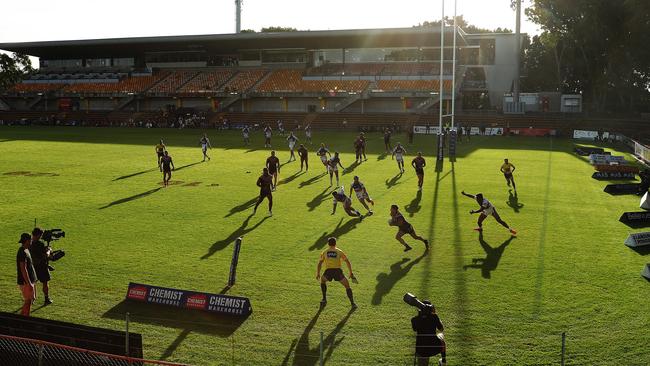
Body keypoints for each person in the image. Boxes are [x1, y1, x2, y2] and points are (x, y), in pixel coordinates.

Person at [316, 237, 357, 308]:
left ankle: (324, 299)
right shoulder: (339, 251)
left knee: (323, 281)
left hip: (328, 271)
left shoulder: (324, 252)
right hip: (337, 271)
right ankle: (353, 303)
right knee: (347, 286)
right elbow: (347, 261)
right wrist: (351, 272)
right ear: (335, 243)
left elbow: (320, 263)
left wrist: (318, 273)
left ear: (328, 244)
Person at [411, 302, 447, 366]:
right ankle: (443, 361)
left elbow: (415, 329)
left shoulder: (414, 319)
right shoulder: (434, 317)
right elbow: (441, 329)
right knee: (441, 337)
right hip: (434, 347)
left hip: (421, 350)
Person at [30, 228, 52, 305]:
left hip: (32, 266)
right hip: (42, 266)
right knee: (45, 283)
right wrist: (49, 250)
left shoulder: (29, 243)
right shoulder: (40, 244)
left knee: (32, 283)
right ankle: (46, 298)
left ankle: (31, 299)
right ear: (38, 235)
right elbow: (46, 255)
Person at [17, 233, 37, 316]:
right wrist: (29, 284)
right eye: (30, 240)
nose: (31, 241)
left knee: (31, 300)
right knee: (28, 301)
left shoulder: (26, 250)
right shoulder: (22, 252)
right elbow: (23, 269)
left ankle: (21, 319)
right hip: (26, 282)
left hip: (30, 280)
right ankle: (24, 319)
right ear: (27, 241)